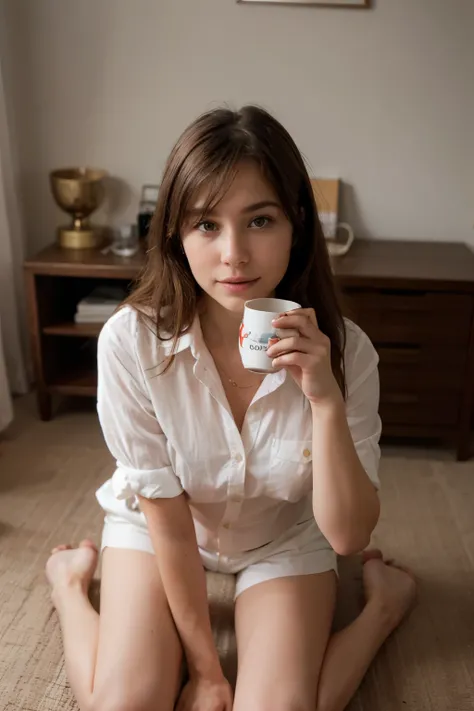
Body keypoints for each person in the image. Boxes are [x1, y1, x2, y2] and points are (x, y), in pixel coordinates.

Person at [46, 105, 416, 711]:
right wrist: (208, 670)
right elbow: (165, 519)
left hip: (281, 537)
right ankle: (69, 590)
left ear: (296, 223)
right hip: (160, 528)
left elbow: (348, 535)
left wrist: (323, 398)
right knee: (126, 704)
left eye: (259, 220)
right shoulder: (131, 343)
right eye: (207, 226)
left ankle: (383, 609)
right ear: (176, 234)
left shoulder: (349, 351)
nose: (234, 254)